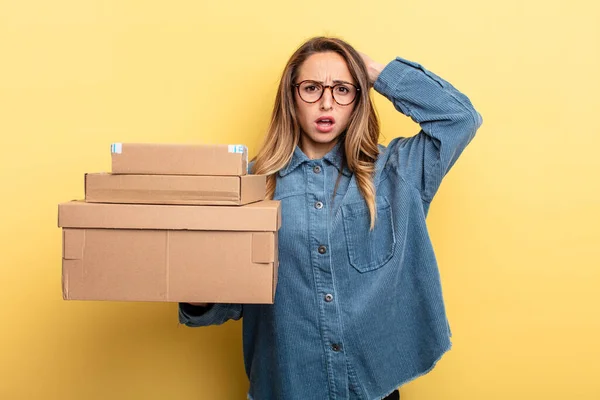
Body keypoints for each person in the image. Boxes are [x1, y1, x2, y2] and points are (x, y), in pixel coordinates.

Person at [179, 36, 483, 400]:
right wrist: (198, 297)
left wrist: (373, 72)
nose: (327, 102)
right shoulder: (250, 187)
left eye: (342, 89)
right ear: (291, 97)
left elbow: (459, 119)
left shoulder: (397, 171)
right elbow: (234, 300)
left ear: (358, 98)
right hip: (286, 387)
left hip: (374, 390)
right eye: (311, 88)